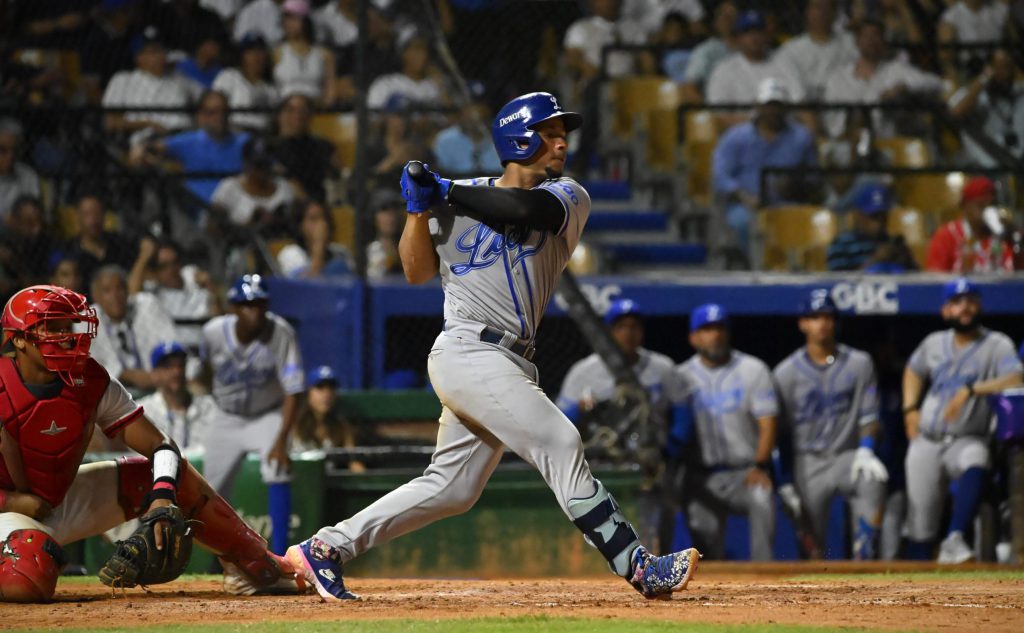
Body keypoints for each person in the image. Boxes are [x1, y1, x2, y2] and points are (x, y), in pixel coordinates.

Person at [286, 92, 700, 601]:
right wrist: (418, 208)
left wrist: (444, 189)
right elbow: (415, 272)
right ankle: (639, 566)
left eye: (560, 131)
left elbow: (524, 208)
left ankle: (326, 548)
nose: (561, 141)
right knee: (561, 441)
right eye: (549, 132)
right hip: (466, 349)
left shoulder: (568, 196)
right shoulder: (455, 198)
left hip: (511, 360)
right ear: (518, 137)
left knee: (453, 488)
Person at [0, 284, 298, 602]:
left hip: (57, 501)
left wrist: (162, 497)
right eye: (52, 328)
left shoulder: (91, 379)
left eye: (68, 326)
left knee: (168, 475)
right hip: (8, 509)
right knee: (25, 580)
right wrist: (10, 503)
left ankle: (253, 563)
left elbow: (161, 445)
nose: (67, 336)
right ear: (18, 339)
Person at [902, 279, 1023, 563]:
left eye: (970, 300)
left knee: (977, 459)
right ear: (946, 311)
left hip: (967, 437)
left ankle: (954, 539)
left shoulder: (997, 344)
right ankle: (912, 596)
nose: (964, 307)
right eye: (957, 302)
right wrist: (910, 408)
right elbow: (913, 370)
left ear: (979, 305)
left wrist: (972, 390)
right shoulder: (933, 342)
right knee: (921, 524)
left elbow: (1017, 377)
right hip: (927, 440)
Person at [556, 298, 691, 552]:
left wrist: (669, 452)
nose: (628, 333)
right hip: (603, 463)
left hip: (651, 465)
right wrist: (583, 411)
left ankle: (654, 567)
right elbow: (563, 421)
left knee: (657, 533)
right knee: (602, 528)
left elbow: (682, 415)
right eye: (620, 327)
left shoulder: (662, 368)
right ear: (608, 332)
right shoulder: (584, 371)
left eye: (634, 326)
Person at [773, 290, 888, 559]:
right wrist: (785, 481)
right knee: (813, 549)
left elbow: (870, 416)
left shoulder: (860, 363)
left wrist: (867, 449)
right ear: (803, 323)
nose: (822, 323)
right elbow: (779, 435)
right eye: (814, 317)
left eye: (827, 316)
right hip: (807, 462)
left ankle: (865, 556)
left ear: (836, 322)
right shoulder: (785, 373)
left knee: (872, 479)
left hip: (848, 456)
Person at [200, 274, 304, 555]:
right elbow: (203, 370)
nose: (254, 311)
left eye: (259, 304)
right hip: (226, 416)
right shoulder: (213, 332)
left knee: (278, 469)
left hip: (265, 415)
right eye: (247, 305)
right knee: (208, 489)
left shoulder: (280, 332)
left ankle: (282, 556)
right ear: (233, 308)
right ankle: (215, 559)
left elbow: (294, 389)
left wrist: (282, 440)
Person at [676, 304, 778, 561]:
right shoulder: (679, 377)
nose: (715, 335)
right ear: (693, 337)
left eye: (720, 328)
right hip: (701, 476)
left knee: (762, 498)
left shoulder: (753, 369)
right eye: (707, 329)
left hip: (745, 473)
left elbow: (768, 422)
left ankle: (765, 577)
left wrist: (761, 464)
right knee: (707, 553)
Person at [712, 78, 818, 252]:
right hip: (747, 204)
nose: (773, 111)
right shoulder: (736, 137)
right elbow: (720, 175)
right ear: (758, 106)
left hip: (789, 202)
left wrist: (796, 185)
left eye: (777, 105)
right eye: (769, 105)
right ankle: (759, 266)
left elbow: (813, 176)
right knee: (743, 222)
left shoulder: (801, 137)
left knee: (809, 221)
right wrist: (743, 195)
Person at [822, 19, 944, 140]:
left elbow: (936, 83)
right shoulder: (838, 78)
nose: (871, 40)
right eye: (866, 36)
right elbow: (831, 120)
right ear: (857, 42)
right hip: (850, 145)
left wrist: (905, 87)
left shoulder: (896, 69)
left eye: (876, 35)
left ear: (884, 42)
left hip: (890, 147)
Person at [131, 90, 250, 204]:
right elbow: (152, 148)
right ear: (202, 116)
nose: (219, 118)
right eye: (213, 112)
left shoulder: (244, 142)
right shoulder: (190, 141)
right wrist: (141, 148)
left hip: (236, 212)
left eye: (223, 112)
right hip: (195, 212)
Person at [88, 265, 177, 392]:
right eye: (107, 291)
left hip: (157, 385)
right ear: (96, 296)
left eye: (120, 288)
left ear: (128, 290)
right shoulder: (85, 321)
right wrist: (128, 375)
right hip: (112, 392)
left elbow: (171, 342)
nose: (115, 296)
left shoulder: (147, 306)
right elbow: (90, 366)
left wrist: (160, 373)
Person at [101, 26, 196, 142]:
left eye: (162, 49)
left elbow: (209, 100)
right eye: (154, 51)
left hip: (187, 139)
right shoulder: (123, 80)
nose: (161, 55)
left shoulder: (180, 78)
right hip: (148, 141)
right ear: (139, 57)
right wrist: (148, 124)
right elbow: (110, 123)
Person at [706, 10, 804, 119]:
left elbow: (800, 102)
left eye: (758, 32)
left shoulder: (784, 63)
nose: (754, 37)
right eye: (747, 32)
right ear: (738, 38)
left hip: (784, 128)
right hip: (743, 132)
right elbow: (720, 116)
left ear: (766, 35)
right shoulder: (723, 70)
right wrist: (759, 128)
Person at [128, 238, 218, 349]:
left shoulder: (194, 282)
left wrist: (211, 290)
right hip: (170, 354)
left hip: (201, 351)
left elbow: (217, 318)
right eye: (164, 266)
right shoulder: (153, 293)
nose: (172, 270)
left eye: (175, 263)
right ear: (155, 272)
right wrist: (144, 257)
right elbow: (132, 294)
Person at [948, 48, 1024, 167]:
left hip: (1016, 161)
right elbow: (956, 113)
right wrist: (984, 79)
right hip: (984, 165)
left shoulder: (1019, 91)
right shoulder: (976, 96)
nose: (1005, 74)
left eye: (1008, 67)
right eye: (999, 68)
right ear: (989, 70)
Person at [137, 341, 217, 452]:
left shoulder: (207, 406)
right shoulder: (143, 411)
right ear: (154, 374)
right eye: (168, 367)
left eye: (181, 365)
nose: (176, 371)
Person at [926, 176, 1017, 273]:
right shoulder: (946, 235)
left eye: (990, 206)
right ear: (965, 206)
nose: (987, 212)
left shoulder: (1001, 235)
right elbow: (934, 279)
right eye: (981, 205)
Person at [774, 0, 857, 102]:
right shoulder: (790, 50)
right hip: (806, 110)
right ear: (807, 12)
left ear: (835, 12)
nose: (822, 12)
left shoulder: (853, 44)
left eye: (827, 7)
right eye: (817, 7)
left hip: (847, 108)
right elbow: (797, 96)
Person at [827, 182, 917, 272]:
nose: (880, 223)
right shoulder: (842, 245)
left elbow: (917, 279)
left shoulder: (892, 243)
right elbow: (839, 283)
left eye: (883, 216)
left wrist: (905, 260)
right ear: (858, 215)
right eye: (873, 216)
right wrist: (875, 260)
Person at [211, 137, 297, 232]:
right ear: (246, 164)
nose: (262, 172)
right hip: (240, 244)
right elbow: (212, 228)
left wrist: (278, 221)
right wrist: (250, 224)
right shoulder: (229, 187)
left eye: (266, 165)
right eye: (258, 166)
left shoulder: (284, 187)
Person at [293, 366, 365, 474]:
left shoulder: (341, 427)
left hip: (329, 486)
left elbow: (353, 462)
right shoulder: (294, 424)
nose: (327, 394)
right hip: (299, 483)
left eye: (331, 388)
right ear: (308, 393)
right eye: (320, 387)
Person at [270, 93, 338, 201]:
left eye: (303, 110)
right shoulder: (269, 148)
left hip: (318, 203)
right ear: (279, 115)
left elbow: (334, 179)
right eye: (290, 110)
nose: (297, 115)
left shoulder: (323, 147)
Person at [65, 193, 137, 288]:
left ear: (104, 215)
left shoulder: (119, 244)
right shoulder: (69, 250)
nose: (93, 220)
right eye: (87, 214)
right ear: (78, 217)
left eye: (97, 213)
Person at [213, 33, 280, 132]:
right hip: (233, 133)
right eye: (250, 51)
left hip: (262, 135)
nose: (256, 55)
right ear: (242, 55)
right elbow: (214, 106)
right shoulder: (228, 76)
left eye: (260, 50)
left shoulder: (271, 88)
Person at [272, 0, 335, 104]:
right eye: (286, 18)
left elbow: (330, 92)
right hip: (286, 112)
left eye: (294, 18)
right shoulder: (276, 53)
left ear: (305, 21)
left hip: (317, 112)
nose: (288, 23)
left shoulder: (325, 55)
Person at [365, 31, 443, 110]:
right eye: (417, 48)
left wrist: (441, 85)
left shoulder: (436, 86)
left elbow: (452, 119)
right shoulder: (385, 84)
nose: (423, 54)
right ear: (403, 53)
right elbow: (370, 118)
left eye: (425, 49)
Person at [277, 199, 350, 278]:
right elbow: (304, 286)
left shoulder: (341, 252)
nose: (322, 224)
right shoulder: (290, 253)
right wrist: (319, 244)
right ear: (300, 225)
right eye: (313, 219)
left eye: (325, 219)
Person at [681, 1, 738, 103]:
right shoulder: (706, 51)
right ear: (716, 22)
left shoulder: (753, 50)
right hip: (717, 109)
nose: (728, 21)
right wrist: (709, 113)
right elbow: (689, 88)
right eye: (724, 16)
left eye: (732, 16)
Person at [0, 118, 41, 223]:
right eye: (3, 150)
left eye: (15, 150)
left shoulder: (29, 176)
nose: (10, 156)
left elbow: (33, 218)